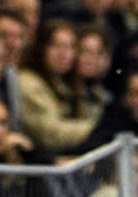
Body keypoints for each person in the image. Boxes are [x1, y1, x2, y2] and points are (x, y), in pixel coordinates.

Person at [16, 18, 98, 154]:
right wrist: (98, 128)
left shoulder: (67, 84)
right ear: (41, 48)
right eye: (55, 46)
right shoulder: (28, 82)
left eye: (70, 47)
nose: (63, 53)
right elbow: (51, 133)